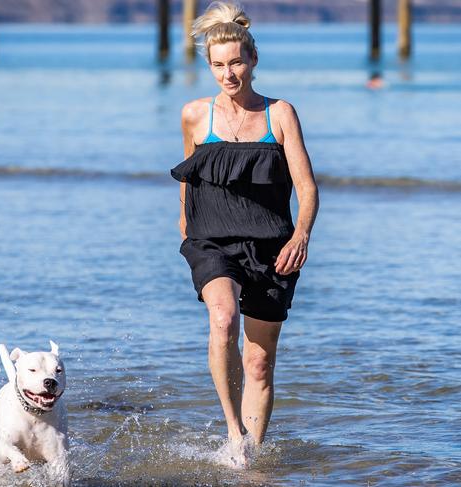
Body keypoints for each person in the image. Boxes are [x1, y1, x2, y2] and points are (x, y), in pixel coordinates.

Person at [171, 1, 319, 448]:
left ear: (252, 59)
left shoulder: (280, 114)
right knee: (223, 318)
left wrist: (301, 235)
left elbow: (307, 187)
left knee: (258, 362)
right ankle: (234, 432)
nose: (228, 73)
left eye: (235, 62)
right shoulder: (196, 115)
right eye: (218, 65)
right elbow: (189, 180)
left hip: (274, 248)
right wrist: (187, 235)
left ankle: (250, 458)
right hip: (211, 242)